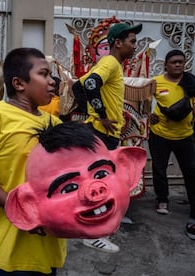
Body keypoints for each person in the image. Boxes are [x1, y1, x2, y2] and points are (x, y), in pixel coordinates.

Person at [0, 47, 67, 275]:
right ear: (19, 83)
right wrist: (28, 215)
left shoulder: (55, 123)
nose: (52, 82)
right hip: (11, 247)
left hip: (49, 244)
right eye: (44, 74)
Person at [77, 22, 142, 253]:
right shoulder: (110, 62)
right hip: (102, 133)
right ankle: (94, 233)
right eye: (132, 41)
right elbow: (91, 84)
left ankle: (99, 227)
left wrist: (92, 112)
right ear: (117, 42)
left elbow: (79, 86)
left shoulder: (111, 64)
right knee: (100, 183)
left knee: (100, 181)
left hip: (105, 133)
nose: (135, 46)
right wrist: (101, 116)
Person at [149, 49, 195, 240]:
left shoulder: (191, 82)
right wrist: (148, 114)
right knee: (159, 168)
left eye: (181, 62)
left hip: (185, 135)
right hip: (160, 134)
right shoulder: (156, 82)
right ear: (165, 65)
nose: (178, 65)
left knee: (191, 171)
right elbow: (145, 100)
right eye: (174, 62)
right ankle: (162, 200)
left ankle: (193, 208)